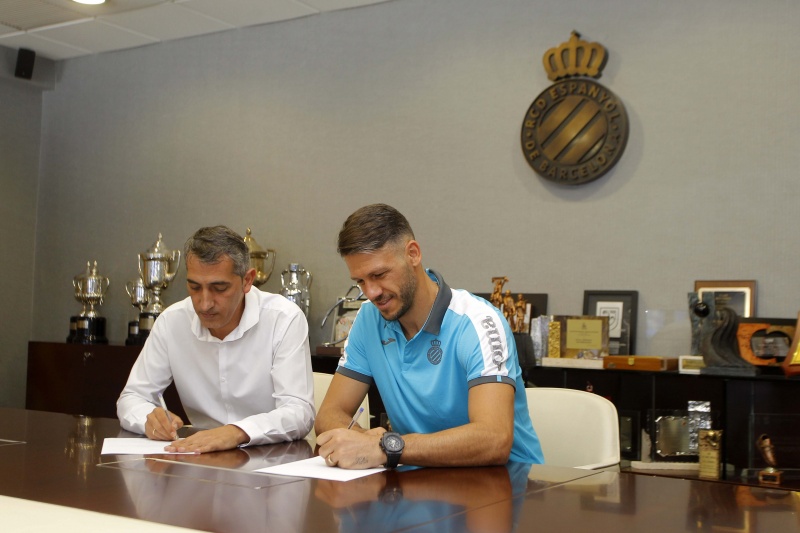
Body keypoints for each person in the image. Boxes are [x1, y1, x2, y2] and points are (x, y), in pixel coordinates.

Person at [315, 204, 543, 469]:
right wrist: (364, 442)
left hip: (507, 481)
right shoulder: (368, 319)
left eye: (379, 275)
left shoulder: (478, 321)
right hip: (417, 478)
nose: (372, 292)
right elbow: (329, 414)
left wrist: (386, 446)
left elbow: (494, 439)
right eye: (361, 281)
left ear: (413, 254)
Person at [117, 225, 314, 453]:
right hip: (199, 455)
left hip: (270, 458)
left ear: (247, 280)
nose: (205, 303)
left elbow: (299, 412)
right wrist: (148, 418)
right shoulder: (172, 321)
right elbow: (131, 398)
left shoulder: (283, 319)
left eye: (219, 288)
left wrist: (236, 432)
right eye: (194, 287)